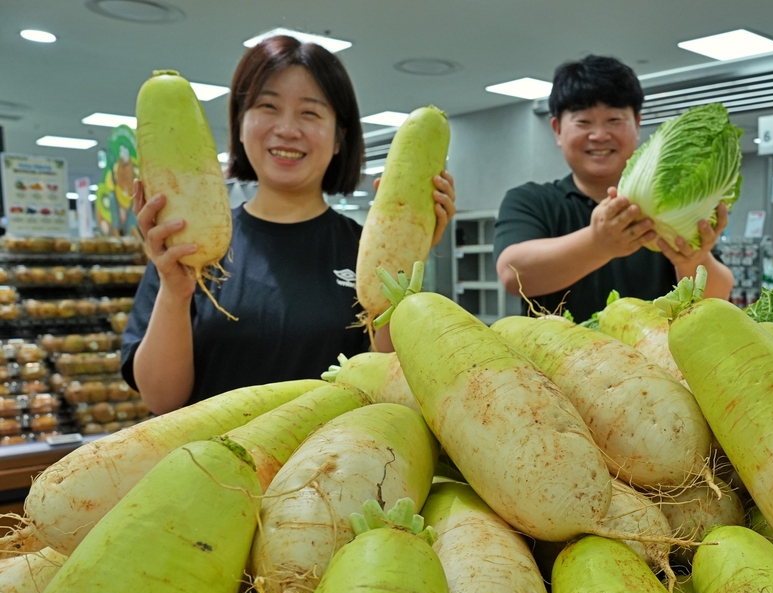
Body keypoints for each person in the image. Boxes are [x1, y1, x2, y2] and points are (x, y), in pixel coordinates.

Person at [123, 35, 456, 414]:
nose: (287, 128)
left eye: (310, 113)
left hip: (330, 464)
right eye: (268, 106)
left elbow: (386, 385)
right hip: (207, 467)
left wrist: (406, 263)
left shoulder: (365, 250)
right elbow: (161, 400)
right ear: (241, 125)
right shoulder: (186, 246)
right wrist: (175, 290)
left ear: (337, 139)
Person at [493, 55, 733, 322]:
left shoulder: (673, 211)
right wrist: (599, 244)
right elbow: (512, 275)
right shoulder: (531, 200)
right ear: (557, 129)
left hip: (656, 361)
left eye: (614, 120)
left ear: (637, 124)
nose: (599, 135)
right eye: (583, 122)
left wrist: (692, 259)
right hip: (551, 360)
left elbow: (717, 299)